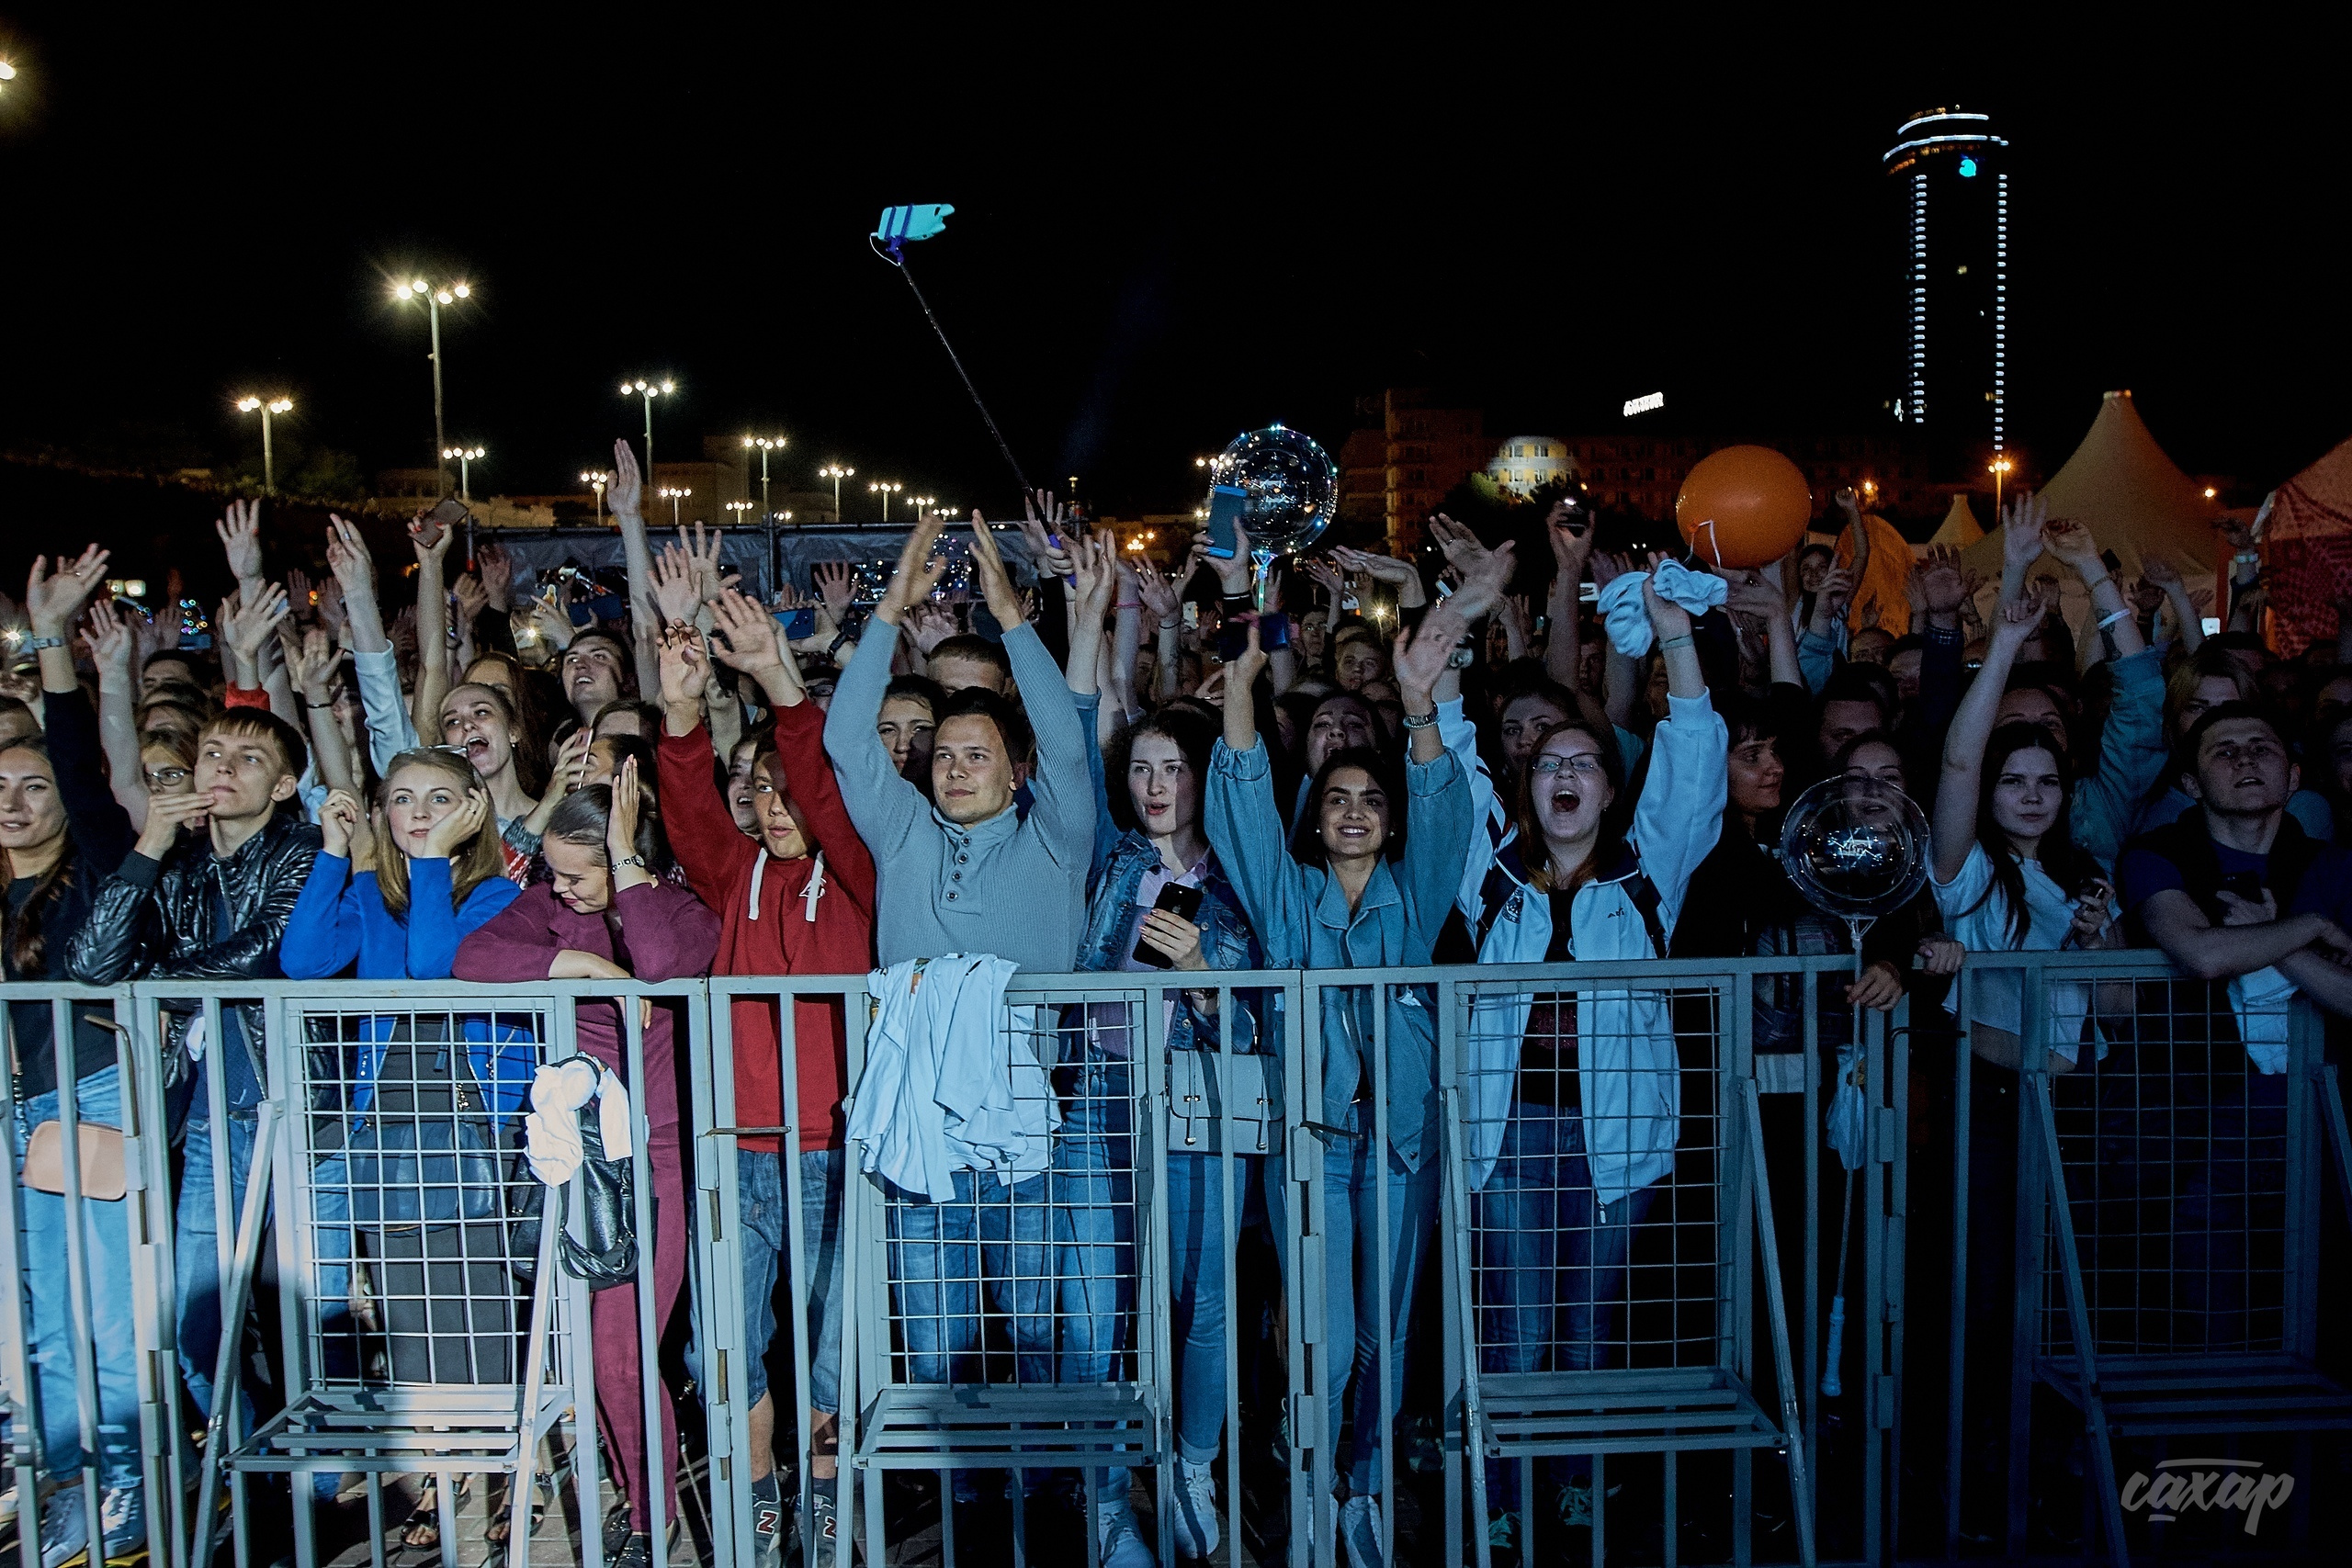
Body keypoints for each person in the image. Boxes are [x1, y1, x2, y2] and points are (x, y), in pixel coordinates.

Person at [1205, 603, 1474, 1568]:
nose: (1353, 810)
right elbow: (1236, 811)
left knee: (1385, 1335)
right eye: (1334, 800)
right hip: (1312, 1148)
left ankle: (1367, 1481)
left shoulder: (1419, 893)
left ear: (1388, 820)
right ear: (1312, 822)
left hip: (1399, 1148)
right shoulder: (1288, 903)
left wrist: (1418, 705)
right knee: (1320, 1330)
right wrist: (1239, 687)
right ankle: (1313, 1484)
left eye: (1369, 798)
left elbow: (1447, 808)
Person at [1463, 568, 1726, 1541]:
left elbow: (1695, 756)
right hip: (1509, 1137)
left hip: (1616, 1138)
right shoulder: (1487, 871)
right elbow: (1444, 755)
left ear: (1610, 788)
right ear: (1524, 785)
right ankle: (1500, 1499)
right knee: (1516, 1326)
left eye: (1582, 762)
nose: (1562, 774)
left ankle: (1572, 1485)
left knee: (1585, 1325)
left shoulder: (1650, 869)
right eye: (1544, 764)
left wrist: (1674, 641)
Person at [453, 763, 718, 1568]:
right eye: (553, 874)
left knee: (622, 1349)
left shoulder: (671, 903)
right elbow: (474, 957)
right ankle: (643, 1505)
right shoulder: (551, 906)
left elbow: (670, 960)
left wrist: (628, 876)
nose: (559, 890)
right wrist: (592, 970)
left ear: (626, 854)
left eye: (580, 874)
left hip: (663, 1162)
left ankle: (650, 1518)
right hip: (583, 1167)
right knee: (601, 1353)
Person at [656, 596, 876, 1568]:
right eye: (762, 792)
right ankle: (755, 1506)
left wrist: (785, 691)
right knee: (722, 1349)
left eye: (792, 792)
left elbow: (827, 789)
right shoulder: (733, 871)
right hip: (739, 1149)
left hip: (835, 1152)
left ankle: (824, 1508)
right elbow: (691, 808)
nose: (777, 807)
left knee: (832, 1352)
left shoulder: (864, 869)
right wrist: (680, 716)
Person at [278, 750, 527, 1551]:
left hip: (465, 1122)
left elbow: (434, 966)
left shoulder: (496, 894)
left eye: (439, 799)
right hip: (385, 1126)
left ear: (476, 809)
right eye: (402, 800)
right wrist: (331, 851)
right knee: (412, 1315)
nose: (418, 813)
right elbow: (304, 959)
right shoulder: (369, 891)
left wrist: (428, 865)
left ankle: (506, 1472)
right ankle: (437, 1470)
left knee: (476, 1311)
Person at [65, 694, 322, 1440]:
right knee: (198, 1321)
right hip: (207, 1120)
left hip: (292, 1110)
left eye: (247, 759)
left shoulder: (301, 847)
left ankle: (317, 1483)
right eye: (212, 754)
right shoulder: (173, 863)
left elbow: (268, 946)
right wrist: (148, 842)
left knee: (300, 1313)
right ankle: (246, 1469)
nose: (222, 769)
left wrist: (160, 981)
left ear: (280, 785)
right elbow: (92, 964)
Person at [11, 547, 149, 1563]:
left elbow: (75, 758)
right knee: (44, 1328)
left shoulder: (93, 864)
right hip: (11, 1111)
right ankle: (69, 1487)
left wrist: (54, 646)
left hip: (81, 1097)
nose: (14, 801)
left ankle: (128, 1487)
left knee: (98, 1317)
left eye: (30, 786)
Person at [438, 681, 589, 876]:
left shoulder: (560, 821)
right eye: (452, 722)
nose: (467, 725)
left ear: (513, 731)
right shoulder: (444, 831)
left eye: (481, 712)